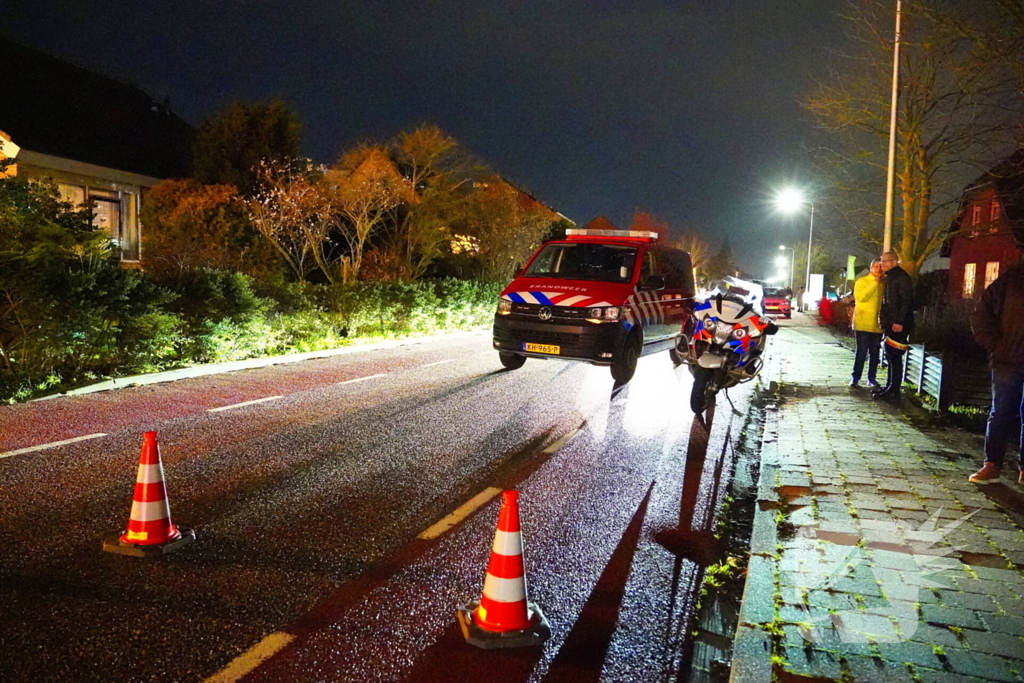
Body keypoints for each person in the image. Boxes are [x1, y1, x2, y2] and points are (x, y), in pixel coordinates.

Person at [969, 261, 1024, 486]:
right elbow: (981, 312)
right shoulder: (1012, 279)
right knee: (1001, 412)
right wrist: (996, 345)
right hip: (1007, 360)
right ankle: (992, 465)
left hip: (1007, 357)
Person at [872, 251, 914, 402]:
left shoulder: (901, 278)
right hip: (892, 322)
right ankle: (890, 387)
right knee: (890, 355)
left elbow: (905, 301)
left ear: (894, 262)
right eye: (882, 261)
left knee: (895, 356)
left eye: (885, 261)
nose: (882, 264)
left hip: (898, 323)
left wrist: (899, 321)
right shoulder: (891, 277)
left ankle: (894, 390)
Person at [851, 259, 884, 388]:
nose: (879, 269)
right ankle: (855, 377)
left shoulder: (884, 284)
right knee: (861, 352)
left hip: (878, 324)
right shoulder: (862, 282)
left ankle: (872, 378)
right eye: (876, 266)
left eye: (881, 267)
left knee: (875, 353)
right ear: (871, 268)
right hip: (863, 323)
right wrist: (875, 283)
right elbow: (861, 297)